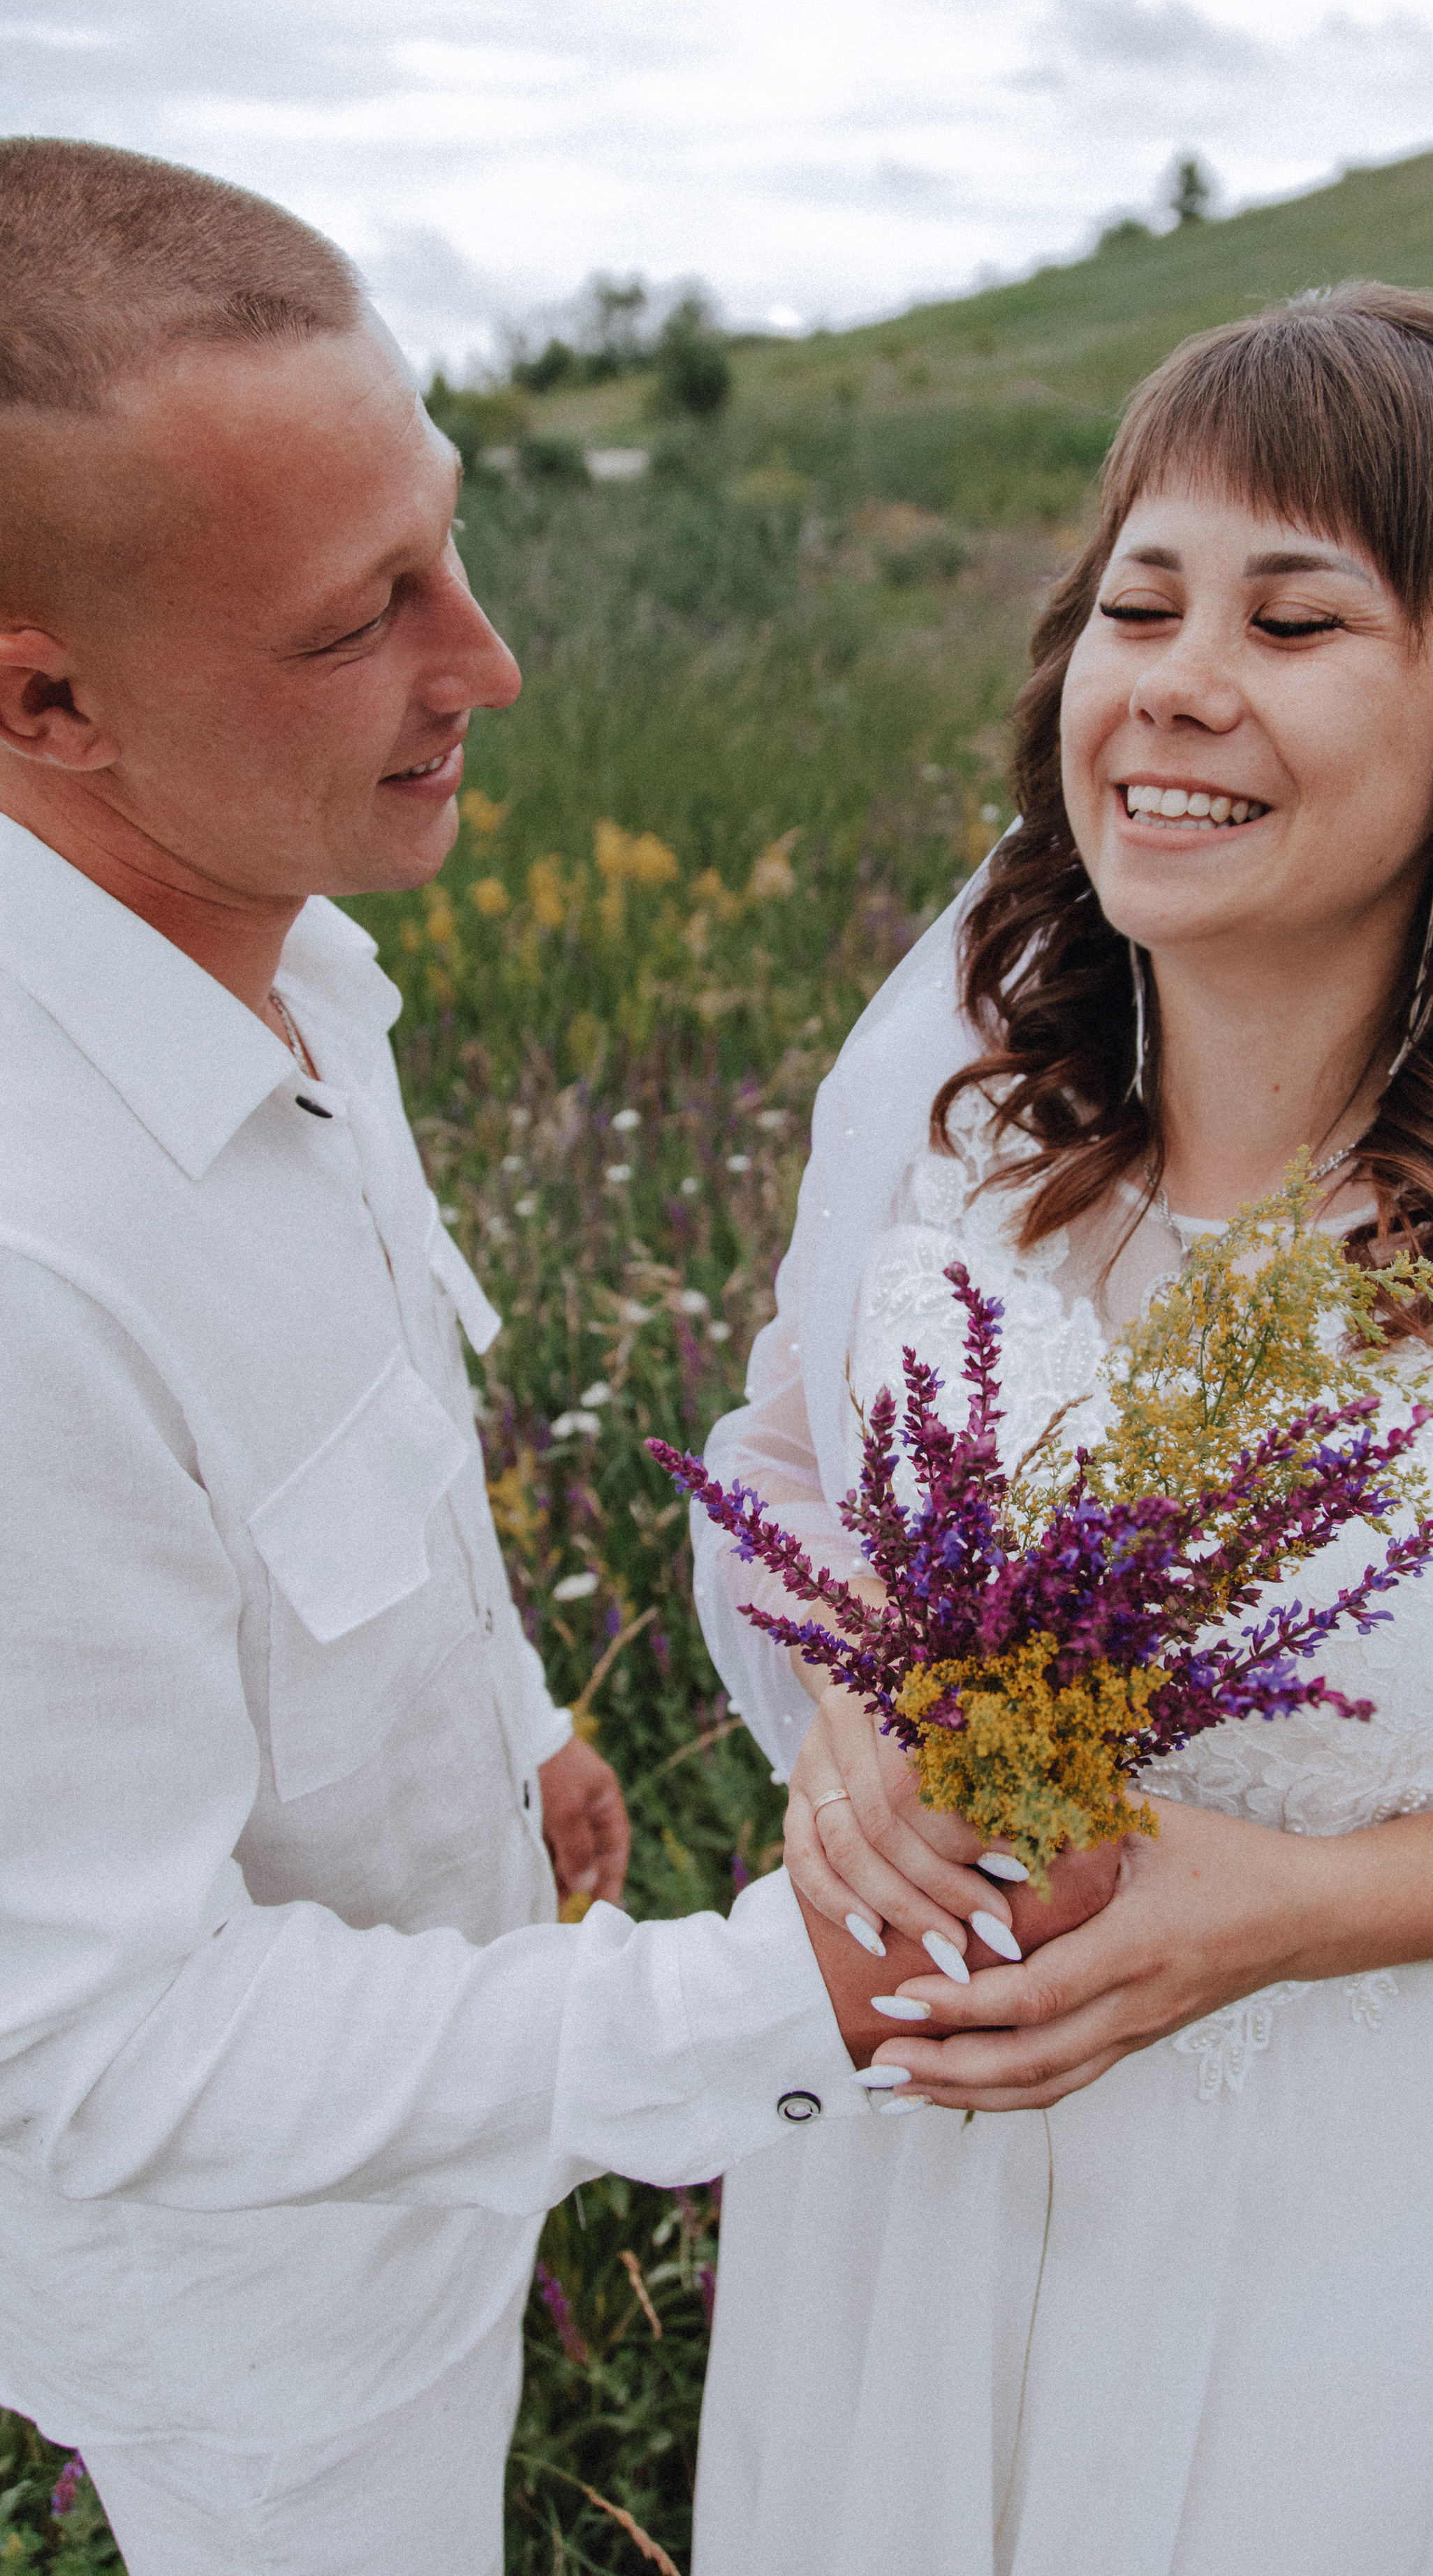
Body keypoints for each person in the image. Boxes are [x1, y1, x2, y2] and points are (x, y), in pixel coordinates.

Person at [689, 283, 1433, 2573]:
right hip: (895, 2167)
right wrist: (846, 1732)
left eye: (1294, 619)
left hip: (1299, 2222)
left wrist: (1286, 1911)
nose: (1174, 679)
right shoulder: (954, 1130)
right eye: (1134, 601)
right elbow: (783, 1494)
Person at [0, 139, 911, 2576]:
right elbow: (80, 2047)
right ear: (45, 693)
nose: (489, 661)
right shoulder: (23, 1268)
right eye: (358, 617)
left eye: (454, 534)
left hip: (455, 2124)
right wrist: (761, 1995)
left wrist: (510, 1719)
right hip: (276, 2335)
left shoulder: (287, 951)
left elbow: (362, 1429)